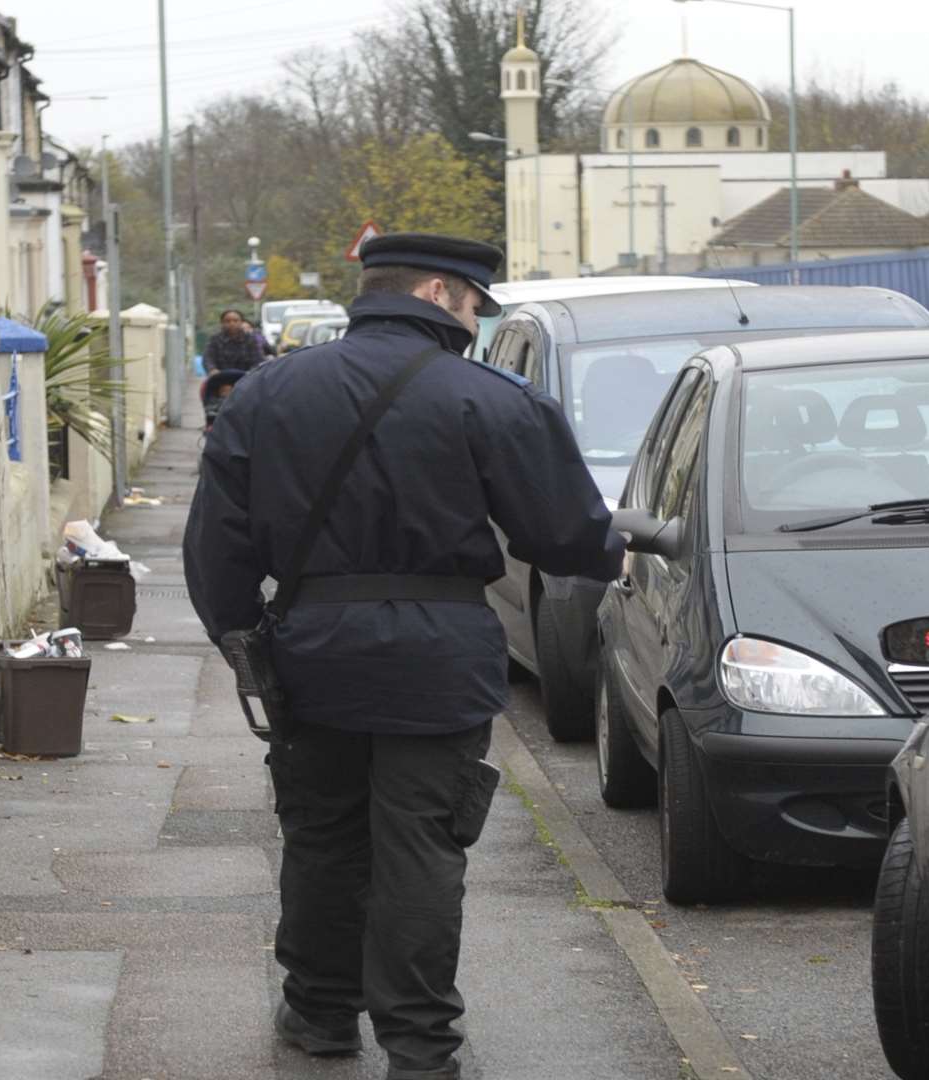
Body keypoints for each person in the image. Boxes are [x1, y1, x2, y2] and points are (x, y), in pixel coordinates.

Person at [183, 233, 623, 1080]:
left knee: (321, 838)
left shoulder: (268, 392)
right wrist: (618, 553)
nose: (475, 323)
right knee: (423, 848)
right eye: (471, 305)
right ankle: (421, 1049)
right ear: (436, 292)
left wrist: (246, 643)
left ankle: (319, 1016)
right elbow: (561, 534)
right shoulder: (492, 399)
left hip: (312, 648)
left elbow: (217, 548)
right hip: (441, 655)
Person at [203, 308, 266, 373]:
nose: (232, 324)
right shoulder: (215, 339)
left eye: (235, 321)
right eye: (227, 321)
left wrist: (252, 372)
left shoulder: (251, 339)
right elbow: (208, 358)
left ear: (241, 322)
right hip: (221, 378)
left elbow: (259, 360)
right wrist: (212, 369)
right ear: (222, 323)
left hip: (247, 378)